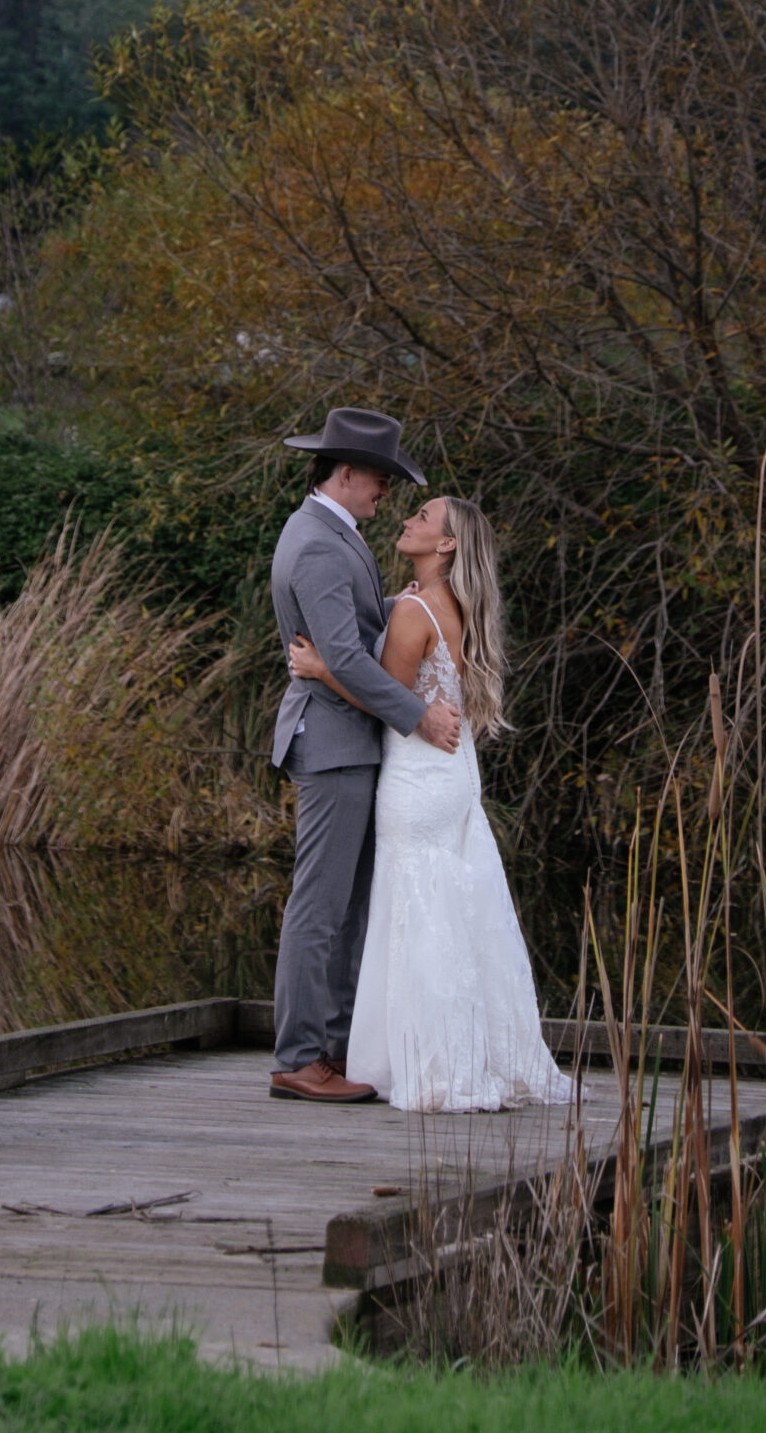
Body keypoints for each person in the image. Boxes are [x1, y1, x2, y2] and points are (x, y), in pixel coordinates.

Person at [288, 492, 569, 1113]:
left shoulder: (417, 612)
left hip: (416, 778)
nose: (407, 520)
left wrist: (322, 669)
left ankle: (429, 1061)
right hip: (455, 773)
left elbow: (383, 697)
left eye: (422, 517)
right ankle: (469, 1050)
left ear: (446, 544)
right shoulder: (451, 605)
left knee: (415, 914)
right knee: (456, 909)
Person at [267, 405, 462, 1104]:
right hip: (332, 743)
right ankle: (300, 1058)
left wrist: (392, 602)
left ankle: (334, 1048)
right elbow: (343, 656)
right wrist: (418, 716)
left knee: (348, 909)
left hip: (344, 741)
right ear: (346, 473)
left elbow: (345, 622)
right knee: (320, 908)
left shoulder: (328, 533)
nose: (385, 492)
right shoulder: (319, 543)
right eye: (380, 479)